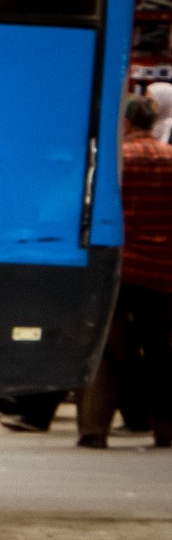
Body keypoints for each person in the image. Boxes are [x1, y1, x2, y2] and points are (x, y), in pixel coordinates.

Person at [77, 94, 172, 448]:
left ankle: (93, 429)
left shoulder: (118, 161)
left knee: (104, 349)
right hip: (161, 272)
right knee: (161, 352)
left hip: (118, 270)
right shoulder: (169, 159)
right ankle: (165, 428)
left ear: (127, 124)